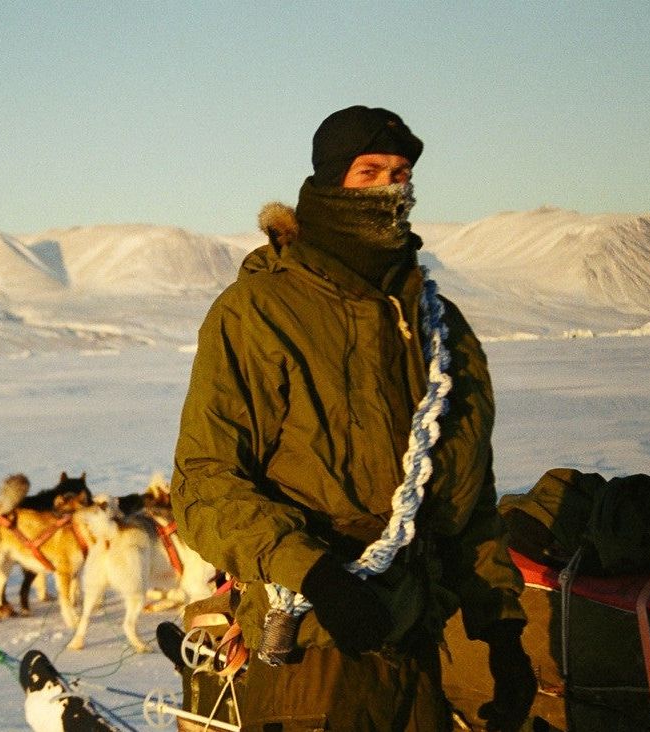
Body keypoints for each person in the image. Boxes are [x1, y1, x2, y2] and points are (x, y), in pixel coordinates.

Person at [170, 106, 536, 731]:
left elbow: (466, 496)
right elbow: (203, 484)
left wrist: (500, 628)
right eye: (369, 171)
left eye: (400, 172)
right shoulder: (259, 312)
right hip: (309, 652)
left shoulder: (437, 326)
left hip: (415, 646)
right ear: (329, 183)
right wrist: (313, 573)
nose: (390, 188)